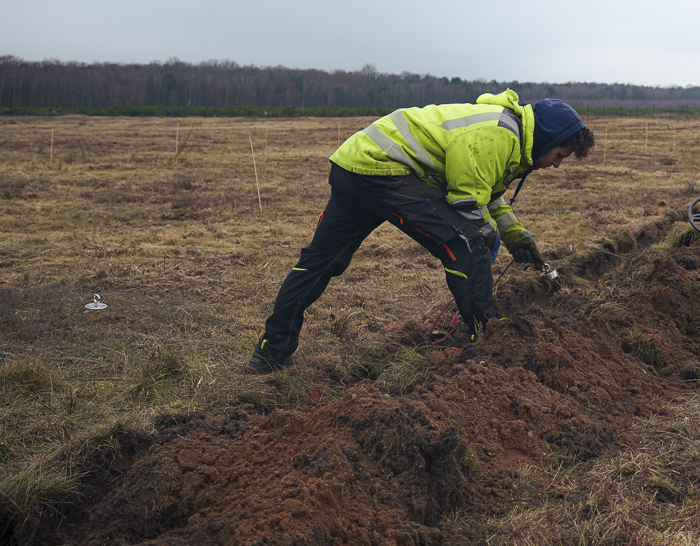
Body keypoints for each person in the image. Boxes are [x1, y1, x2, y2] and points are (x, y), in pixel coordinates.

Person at [244, 89, 595, 374]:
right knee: (467, 243)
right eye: (560, 155)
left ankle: (270, 354)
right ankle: (490, 340)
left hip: (354, 164)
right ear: (547, 137)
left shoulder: (508, 133)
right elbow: (467, 203)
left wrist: (516, 235)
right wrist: (490, 237)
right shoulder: (498, 136)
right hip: (385, 170)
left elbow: (487, 191)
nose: (556, 164)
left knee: (319, 263)